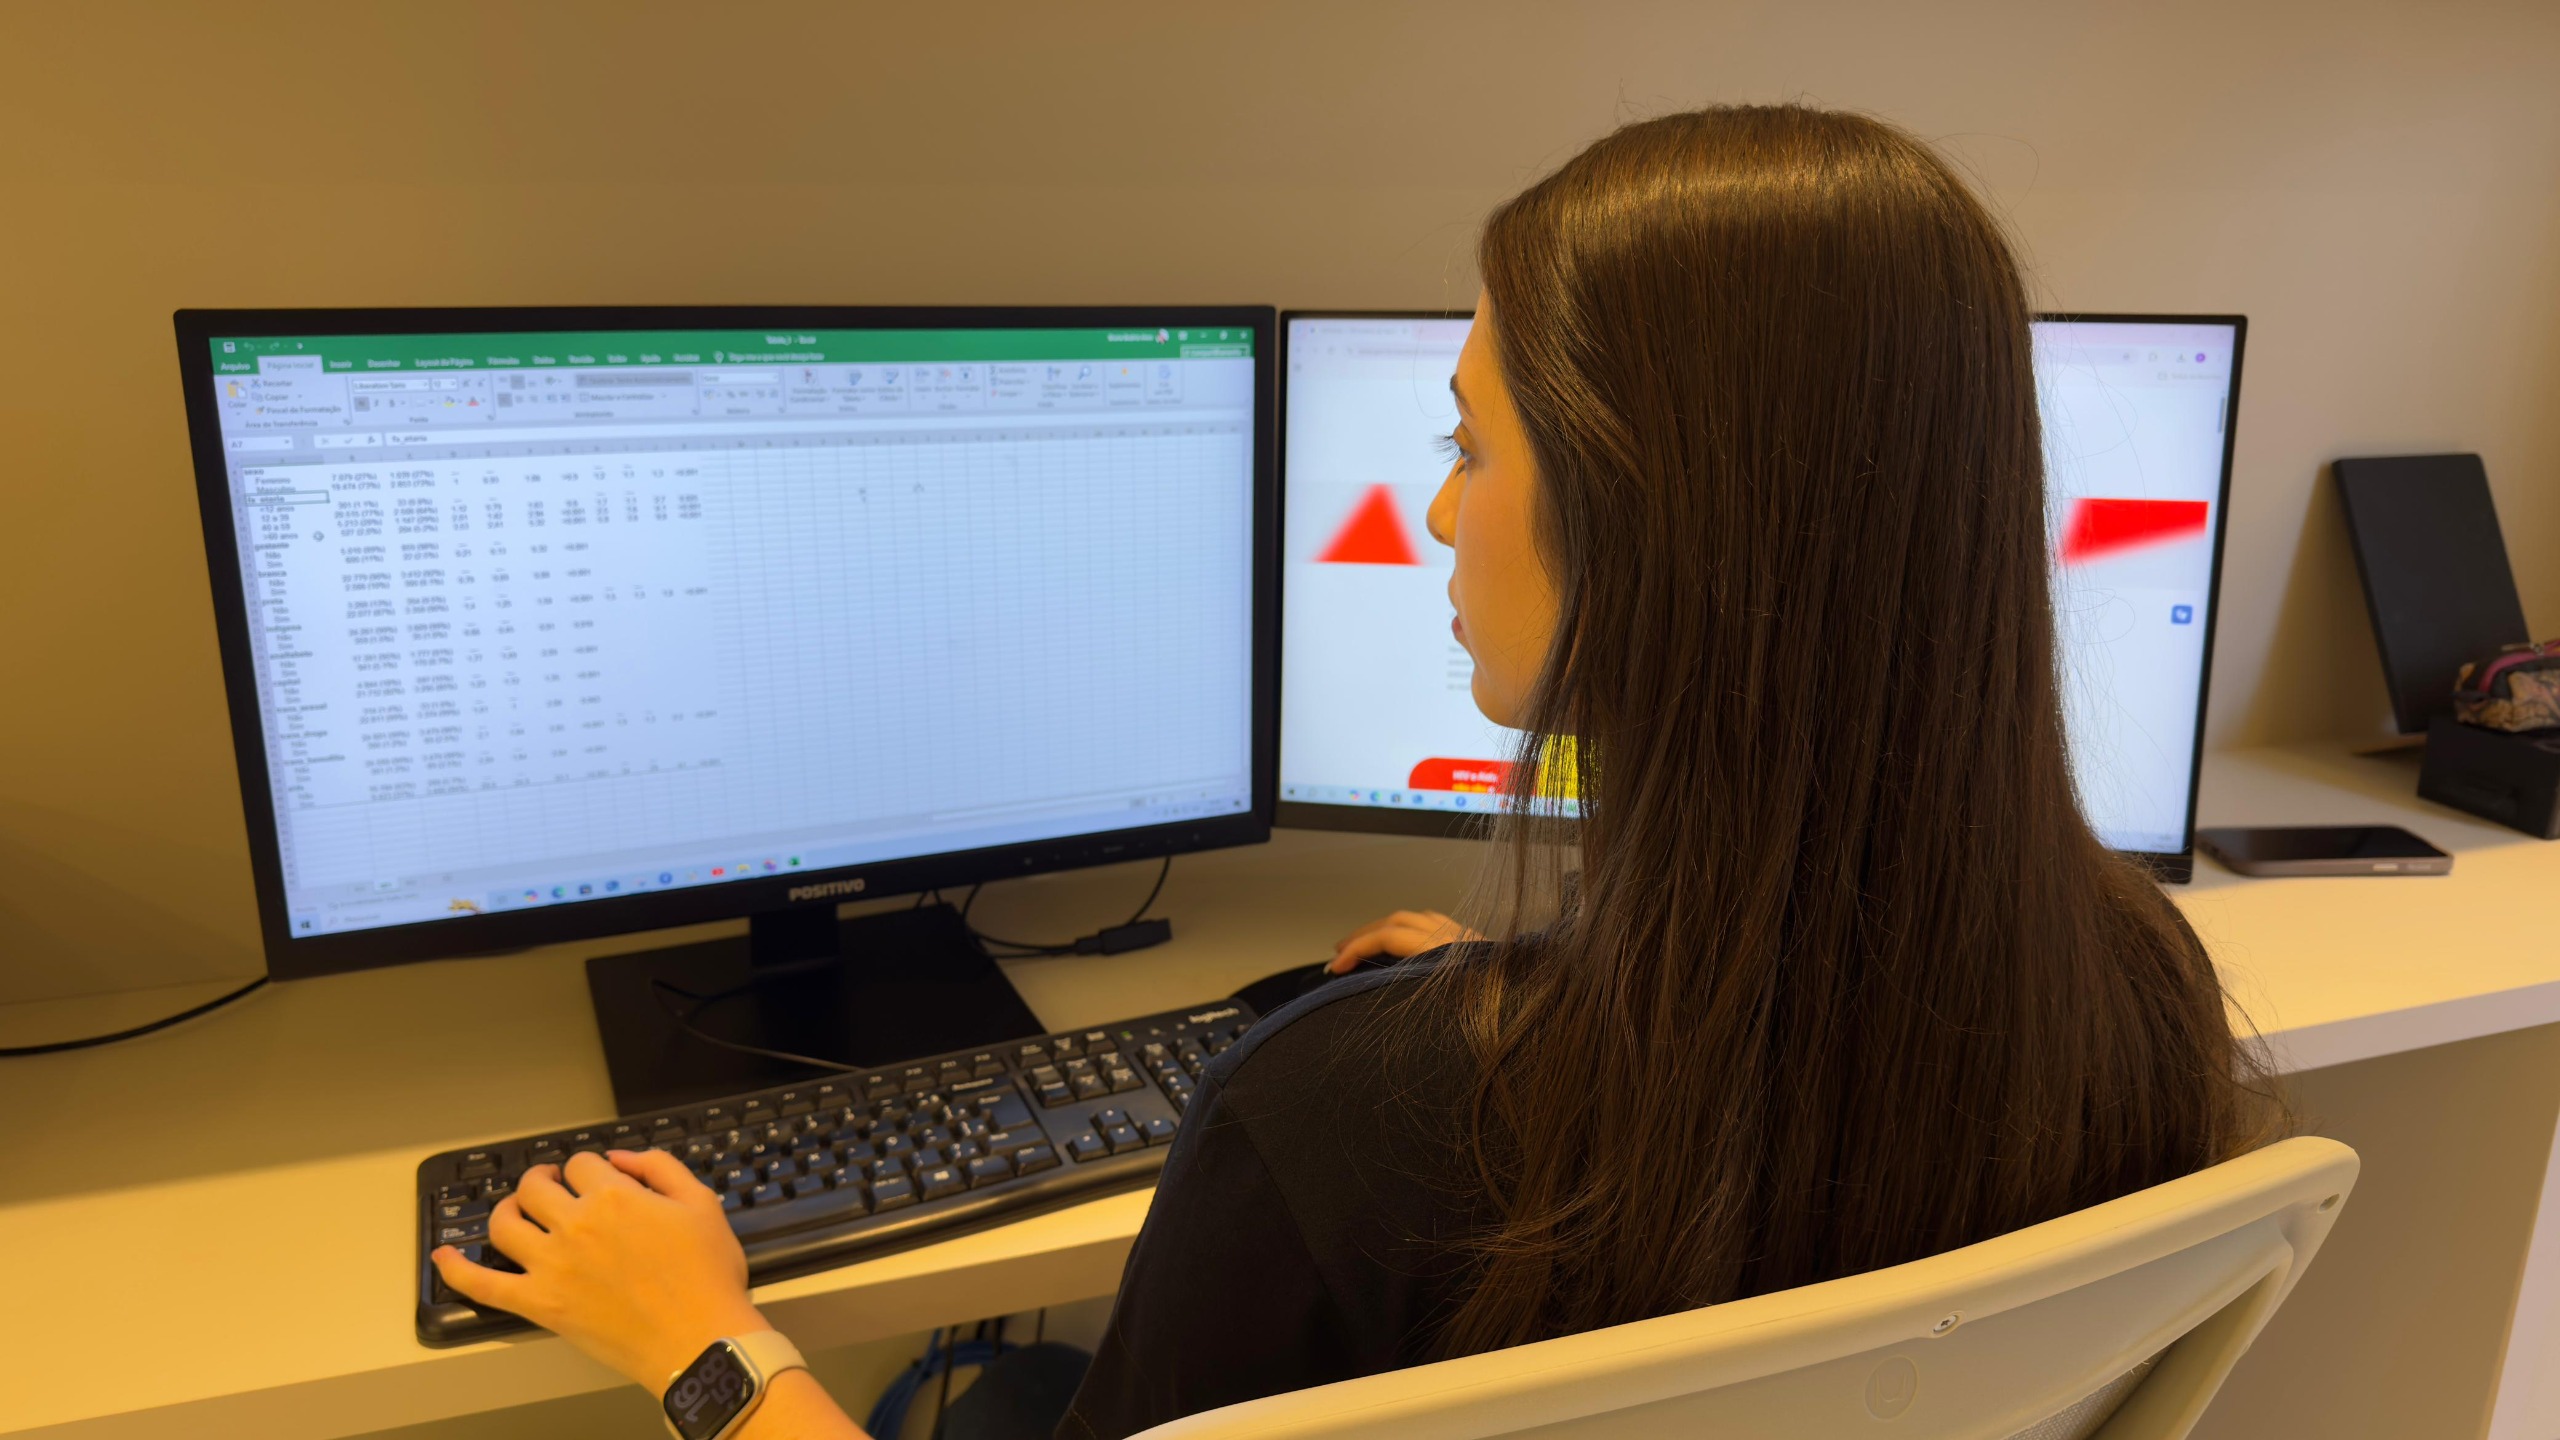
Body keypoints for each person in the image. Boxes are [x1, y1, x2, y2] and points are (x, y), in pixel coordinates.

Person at [430, 103, 2279, 1439]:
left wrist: (705, 1346)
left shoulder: (1341, 1121)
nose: (1440, 520)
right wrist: (1545, 994)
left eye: (1467, 448)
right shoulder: (2132, 982)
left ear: (1643, 528)